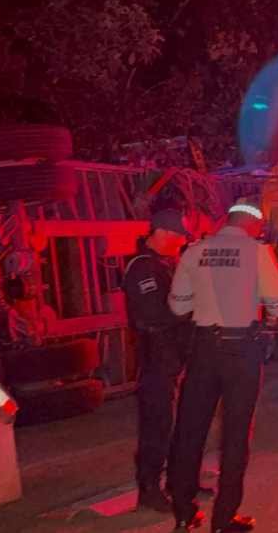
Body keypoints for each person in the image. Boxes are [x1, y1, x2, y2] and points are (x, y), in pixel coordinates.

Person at [167, 199, 278, 532]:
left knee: (190, 430)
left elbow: (178, 306)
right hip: (241, 350)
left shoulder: (195, 251)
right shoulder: (257, 252)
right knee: (236, 435)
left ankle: (183, 512)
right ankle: (224, 519)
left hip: (203, 349)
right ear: (253, 224)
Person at [123, 209, 192, 514]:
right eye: (178, 237)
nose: (181, 243)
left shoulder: (165, 264)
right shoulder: (142, 268)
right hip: (155, 358)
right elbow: (153, 314)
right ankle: (149, 488)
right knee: (157, 424)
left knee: (178, 423)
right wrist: (191, 307)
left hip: (173, 356)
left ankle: (177, 483)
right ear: (162, 233)